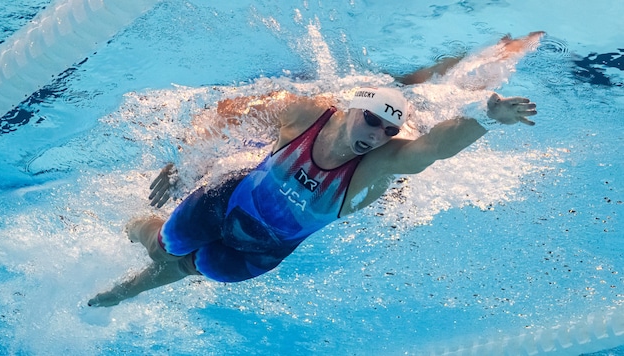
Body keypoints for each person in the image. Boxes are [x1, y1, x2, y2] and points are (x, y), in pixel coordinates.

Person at [88, 32, 542, 307]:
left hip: (265, 249)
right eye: (371, 120)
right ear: (349, 109)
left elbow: (433, 149)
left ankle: (125, 291)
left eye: (388, 130)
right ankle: (130, 223)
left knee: (201, 266)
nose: (376, 134)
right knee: (166, 243)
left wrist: (486, 119)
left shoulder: (378, 165)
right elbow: (229, 115)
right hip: (229, 197)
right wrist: (186, 167)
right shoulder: (305, 114)